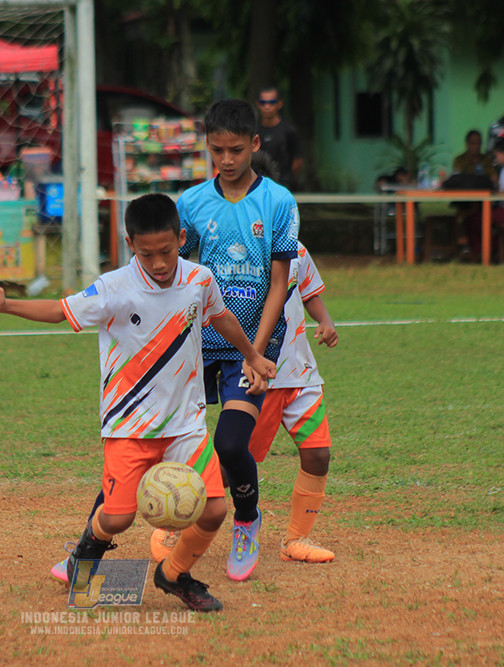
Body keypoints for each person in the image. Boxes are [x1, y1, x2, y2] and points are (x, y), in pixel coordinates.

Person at [0, 193, 278, 611]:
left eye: (167, 251)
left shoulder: (200, 280)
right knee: (117, 518)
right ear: (131, 244)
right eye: (147, 253)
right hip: (128, 425)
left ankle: (175, 576)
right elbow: (61, 310)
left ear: (181, 239)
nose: (159, 263)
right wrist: (5, 305)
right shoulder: (114, 288)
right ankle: (84, 554)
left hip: (185, 423)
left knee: (213, 511)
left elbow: (220, 317)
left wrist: (252, 354)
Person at [150, 241, 339, 566]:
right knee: (232, 464)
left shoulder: (297, 251)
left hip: (300, 373)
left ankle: (295, 539)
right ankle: (174, 518)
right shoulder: (234, 251)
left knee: (318, 454)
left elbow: (309, 293)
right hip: (258, 374)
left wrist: (325, 320)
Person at [178, 98, 299, 581]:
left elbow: (278, 283)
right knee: (165, 439)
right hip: (197, 345)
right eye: (216, 151)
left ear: (254, 144)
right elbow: (178, 274)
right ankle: (160, 516)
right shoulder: (190, 204)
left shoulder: (278, 202)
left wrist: (257, 353)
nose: (226, 160)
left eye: (234, 150)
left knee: (230, 444)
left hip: (252, 346)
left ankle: (246, 521)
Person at [466, 138, 504, 260]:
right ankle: (486, 248)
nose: (496, 158)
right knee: (473, 219)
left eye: (497, 155)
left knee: (478, 219)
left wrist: (493, 196)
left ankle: (491, 248)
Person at [256, 85, 303, 191]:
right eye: (263, 103)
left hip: (283, 185)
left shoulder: (289, 131)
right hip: (258, 186)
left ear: (279, 104)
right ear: (258, 104)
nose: (267, 106)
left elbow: (298, 162)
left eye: (271, 102)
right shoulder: (254, 132)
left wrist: (288, 178)